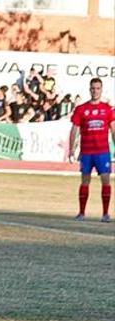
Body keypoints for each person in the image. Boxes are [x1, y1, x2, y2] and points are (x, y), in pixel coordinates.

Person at [69, 77, 115, 222]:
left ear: (101, 90)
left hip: (103, 152)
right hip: (87, 152)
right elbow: (75, 129)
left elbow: (113, 130)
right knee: (85, 181)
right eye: (93, 88)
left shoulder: (107, 109)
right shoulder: (81, 109)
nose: (95, 91)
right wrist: (71, 148)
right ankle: (81, 213)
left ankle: (105, 214)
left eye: (98, 88)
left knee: (106, 181)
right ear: (90, 89)